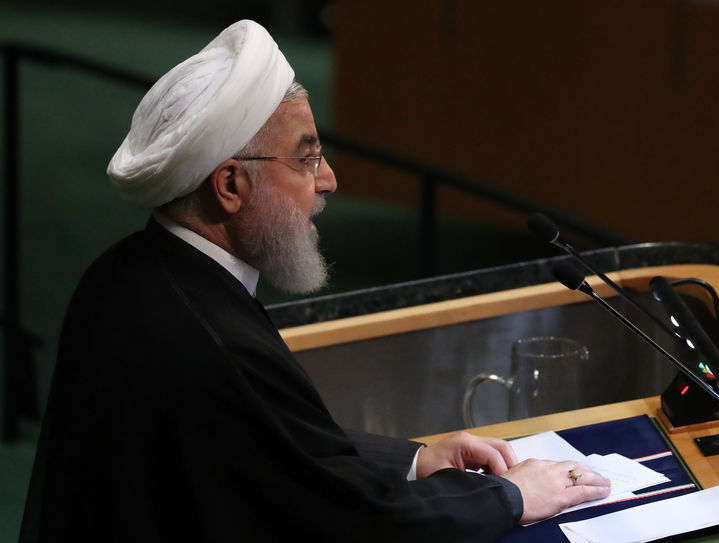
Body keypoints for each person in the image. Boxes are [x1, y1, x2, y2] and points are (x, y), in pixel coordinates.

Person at [19, 20, 610, 542]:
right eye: (305, 159)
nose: (327, 179)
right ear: (230, 185)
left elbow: (278, 450)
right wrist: (513, 495)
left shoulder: (133, 272)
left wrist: (415, 460)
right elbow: (347, 520)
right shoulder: (208, 340)